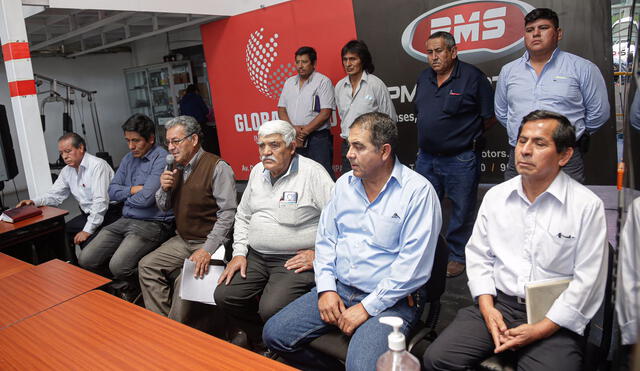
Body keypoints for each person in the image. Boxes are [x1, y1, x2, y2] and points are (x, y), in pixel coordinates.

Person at [423, 110, 608, 371]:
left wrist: (542, 328)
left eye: (539, 143)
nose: (525, 150)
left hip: (552, 314)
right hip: (499, 304)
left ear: (565, 155)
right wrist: (488, 308)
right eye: (522, 141)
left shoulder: (586, 206)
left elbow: (588, 281)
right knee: (437, 359)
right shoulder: (496, 197)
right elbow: (479, 257)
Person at [263, 112, 442, 371]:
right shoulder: (344, 185)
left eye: (359, 147)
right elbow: (325, 242)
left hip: (391, 300)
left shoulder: (418, 193)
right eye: (348, 144)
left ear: (384, 151)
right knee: (274, 334)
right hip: (340, 288)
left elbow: (412, 268)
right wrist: (326, 289)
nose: (348, 154)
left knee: (360, 366)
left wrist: (367, 308)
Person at [214, 119, 334, 349]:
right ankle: (262, 340)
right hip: (256, 256)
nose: (266, 152)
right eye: (262, 145)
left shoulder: (313, 174)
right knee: (225, 296)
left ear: (291, 147)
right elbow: (242, 216)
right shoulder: (258, 172)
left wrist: (319, 253)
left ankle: (281, 342)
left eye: (274, 145)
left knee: (270, 307)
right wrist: (239, 253)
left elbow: (341, 221)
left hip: (294, 259)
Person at [138, 115, 237, 321]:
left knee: (186, 279)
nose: (171, 147)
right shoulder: (172, 166)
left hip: (210, 241)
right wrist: (164, 188)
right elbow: (163, 206)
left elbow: (228, 214)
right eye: (168, 142)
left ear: (193, 140)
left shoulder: (217, 167)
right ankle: (163, 324)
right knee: (146, 265)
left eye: (176, 141)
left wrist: (206, 250)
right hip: (183, 239)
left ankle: (175, 333)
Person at [495, 8, 610, 183]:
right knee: (515, 207)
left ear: (558, 33)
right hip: (520, 155)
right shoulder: (509, 71)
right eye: (530, 30)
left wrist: (569, 135)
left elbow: (599, 113)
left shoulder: (582, 68)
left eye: (543, 28)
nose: (536, 34)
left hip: (564, 157)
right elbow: (502, 113)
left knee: (567, 208)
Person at [415, 31, 496, 278]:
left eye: (439, 51)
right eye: (429, 52)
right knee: (424, 208)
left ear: (453, 51)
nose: (434, 57)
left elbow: (489, 117)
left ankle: (457, 255)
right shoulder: (424, 77)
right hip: (426, 158)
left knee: (462, 210)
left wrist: (463, 136)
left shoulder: (472, 78)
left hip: (460, 158)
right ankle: (425, 253)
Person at [78, 114, 174, 300]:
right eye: (128, 140)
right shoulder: (128, 159)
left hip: (152, 222)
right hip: (126, 219)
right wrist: (132, 190)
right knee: (86, 259)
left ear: (151, 139)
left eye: (136, 141)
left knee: (119, 265)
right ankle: (127, 286)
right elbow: (111, 192)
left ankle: (140, 288)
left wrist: (126, 196)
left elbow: (147, 199)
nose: (131, 146)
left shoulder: (161, 159)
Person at [16, 132, 116, 260]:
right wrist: (33, 202)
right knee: (59, 233)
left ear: (81, 148)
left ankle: (94, 273)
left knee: (88, 246)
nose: (64, 156)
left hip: (109, 214)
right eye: (61, 153)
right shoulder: (67, 171)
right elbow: (54, 195)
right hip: (88, 215)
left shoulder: (97, 165)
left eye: (68, 151)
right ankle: (71, 268)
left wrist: (87, 231)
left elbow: (100, 202)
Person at [335, 40, 397, 174]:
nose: (348, 64)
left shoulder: (375, 84)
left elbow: (390, 119)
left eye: (353, 59)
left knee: (373, 187)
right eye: (345, 59)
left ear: (362, 60)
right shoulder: (339, 87)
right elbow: (343, 116)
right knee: (349, 188)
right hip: (347, 146)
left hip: (371, 147)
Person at [278, 46, 335, 177]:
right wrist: (293, 130)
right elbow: (281, 109)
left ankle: (330, 198)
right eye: (297, 62)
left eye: (304, 62)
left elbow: (326, 112)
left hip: (317, 138)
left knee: (322, 174)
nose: (300, 66)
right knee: (298, 175)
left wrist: (304, 132)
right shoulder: (289, 82)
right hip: (294, 137)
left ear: (314, 63)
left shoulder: (323, 81)